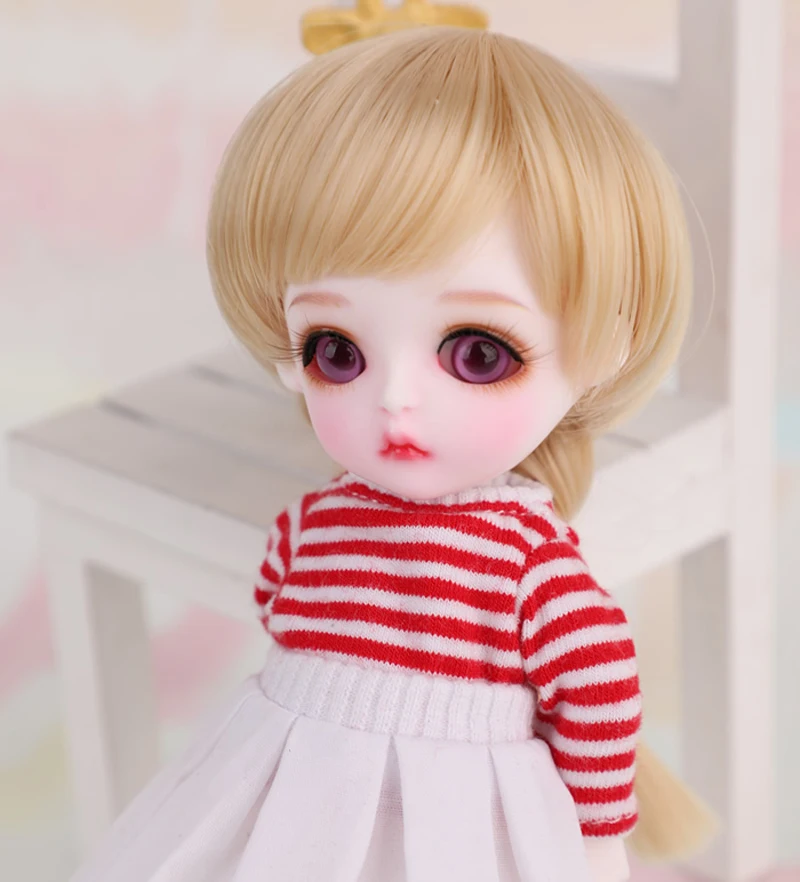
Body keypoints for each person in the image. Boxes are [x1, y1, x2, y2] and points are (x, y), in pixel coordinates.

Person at [73, 25, 698, 882]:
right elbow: (281, 600)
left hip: (465, 831)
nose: (395, 400)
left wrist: (593, 844)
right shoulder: (313, 524)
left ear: (604, 351)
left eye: (478, 354)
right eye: (337, 352)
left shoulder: (529, 569)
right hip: (289, 795)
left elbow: (597, 690)